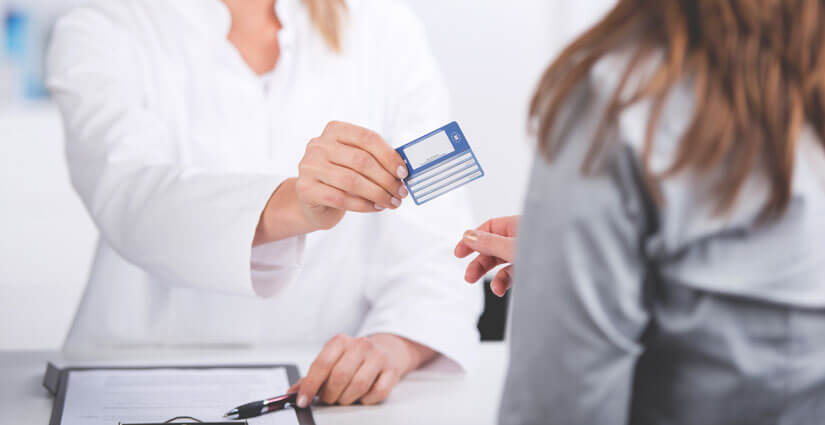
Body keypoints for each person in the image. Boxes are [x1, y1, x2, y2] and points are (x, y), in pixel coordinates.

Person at [46, 0, 482, 407]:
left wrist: (392, 347)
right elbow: (133, 199)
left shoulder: (385, 25)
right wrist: (295, 205)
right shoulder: (104, 25)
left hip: (324, 394)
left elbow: (438, 246)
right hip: (136, 381)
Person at [457, 0, 825, 424]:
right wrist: (595, 255)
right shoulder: (801, 88)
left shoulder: (620, 102)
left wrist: (576, 263)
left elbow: (559, 411)